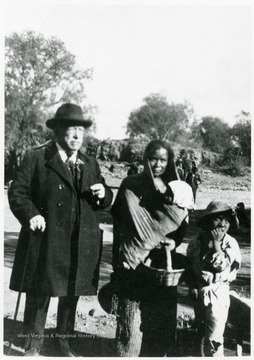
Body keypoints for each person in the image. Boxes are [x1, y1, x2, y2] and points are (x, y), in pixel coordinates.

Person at [8, 103, 113, 356]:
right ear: (57, 132)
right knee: (40, 293)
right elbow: (18, 192)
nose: (77, 136)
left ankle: (63, 343)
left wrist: (103, 194)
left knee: (71, 295)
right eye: (71, 130)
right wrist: (31, 214)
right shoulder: (37, 159)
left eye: (80, 130)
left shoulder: (90, 163)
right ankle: (32, 345)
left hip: (79, 242)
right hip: (47, 240)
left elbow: (105, 197)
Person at [111, 139, 190, 357]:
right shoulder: (130, 185)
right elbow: (119, 222)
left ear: (169, 162)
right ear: (146, 159)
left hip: (162, 264)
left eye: (163, 160)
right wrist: (120, 256)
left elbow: (182, 222)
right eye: (153, 158)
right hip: (134, 260)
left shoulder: (177, 189)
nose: (157, 164)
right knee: (131, 322)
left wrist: (175, 242)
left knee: (160, 323)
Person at [186, 200, 241, 357]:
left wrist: (217, 245)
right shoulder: (196, 243)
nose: (223, 224)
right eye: (218, 219)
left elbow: (222, 265)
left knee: (214, 339)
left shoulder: (230, 243)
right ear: (207, 221)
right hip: (200, 292)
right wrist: (192, 286)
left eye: (226, 220)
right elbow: (190, 266)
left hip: (218, 294)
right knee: (201, 332)